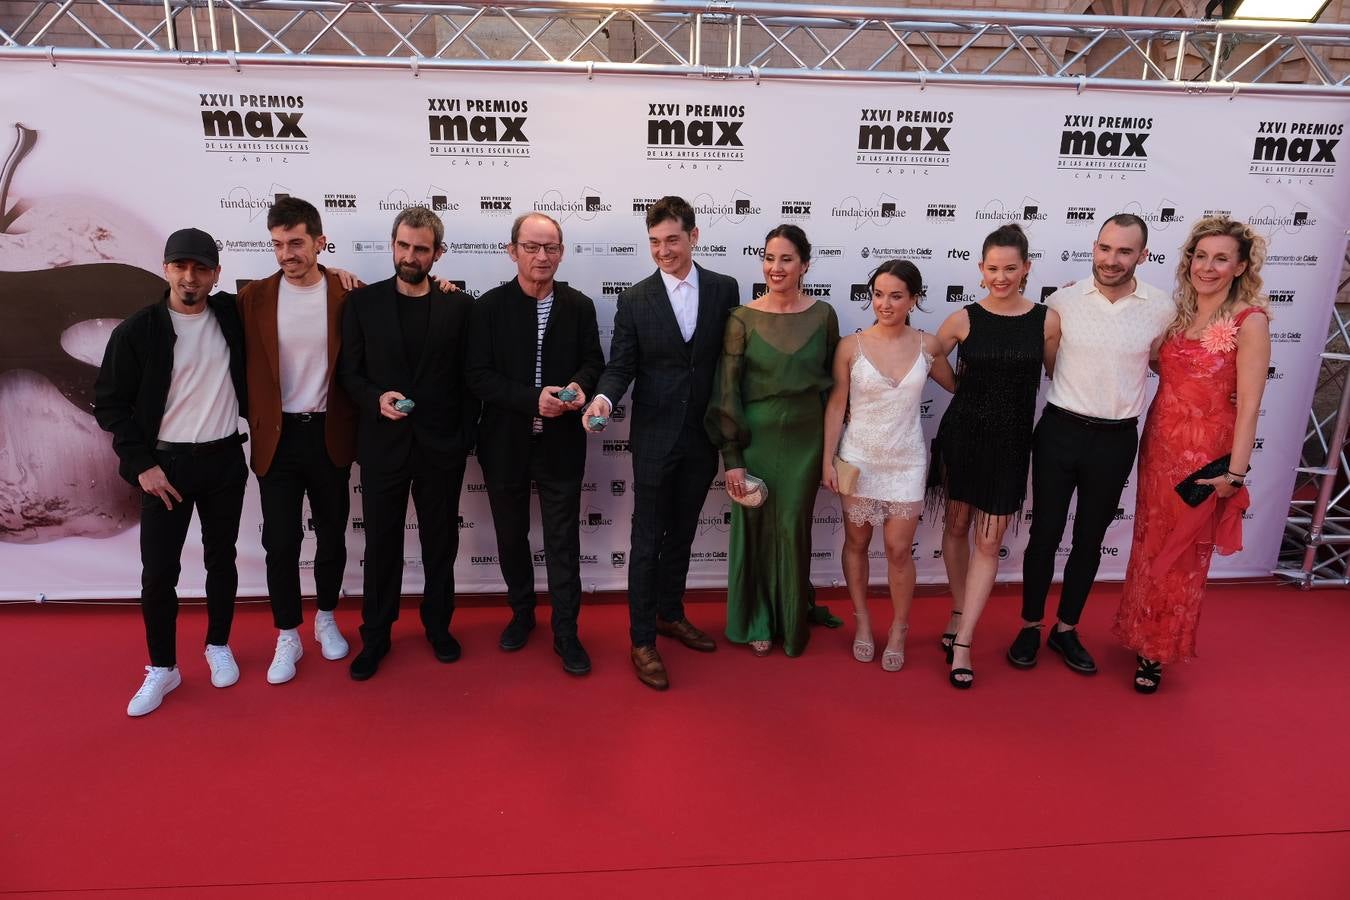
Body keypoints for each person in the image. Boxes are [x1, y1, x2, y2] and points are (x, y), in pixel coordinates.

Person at [583, 196, 739, 690]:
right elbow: (621, 365)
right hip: (653, 436)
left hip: (702, 435)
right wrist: (603, 400)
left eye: (672, 239)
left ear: (694, 236)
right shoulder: (635, 299)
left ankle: (671, 614)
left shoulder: (724, 288)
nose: (663, 251)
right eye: (654, 242)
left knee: (684, 532)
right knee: (647, 539)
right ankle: (642, 640)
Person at [1008, 214, 1174, 675]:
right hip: (1059, 430)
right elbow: (1048, 363)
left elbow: (1170, 366)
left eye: (1124, 251)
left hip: (1116, 439)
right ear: (1094, 247)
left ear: (1143, 255)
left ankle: (1066, 629)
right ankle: (1031, 624)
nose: (1111, 259)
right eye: (1105, 248)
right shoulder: (1061, 301)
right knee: (1044, 534)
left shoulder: (1162, 308)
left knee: (1090, 539)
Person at [94, 228, 249, 716]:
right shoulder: (137, 331)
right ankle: (163, 666)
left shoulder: (233, 316)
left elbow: (286, 292)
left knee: (222, 560)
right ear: (165, 269)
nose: (190, 277)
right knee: (159, 573)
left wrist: (338, 274)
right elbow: (109, 405)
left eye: (201, 268)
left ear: (216, 274)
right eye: (180, 266)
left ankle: (218, 644)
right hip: (165, 469)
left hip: (224, 460)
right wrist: (142, 464)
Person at [1114, 216, 1271, 694]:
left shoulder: (1250, 322)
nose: (1207, 266)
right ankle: (1139, 630)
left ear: (1240, 266)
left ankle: (1158, 649)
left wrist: (1235, 475)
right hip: (1159, 449)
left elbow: (1250, 407)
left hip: (1203, 461)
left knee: (1183, 555)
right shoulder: (1179, 315)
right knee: (1148, 543)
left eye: (1221, 258)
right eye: (1200, 256)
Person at [338, 206, 479, 681]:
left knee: (441, 543)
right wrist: (375, 398)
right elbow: (349, 374)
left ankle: (438, 627)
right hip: (384, 446)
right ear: (392, 244)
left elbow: (470, 379)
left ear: (438, 253)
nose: (410, 256)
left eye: (421, 249)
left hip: (441, 448)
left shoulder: (459, 306)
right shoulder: (362, 304)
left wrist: (462, 438)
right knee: (381, 544)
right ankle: (376, 635)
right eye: (403, 245)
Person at [466, 213, 604, 676]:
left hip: (562, 445)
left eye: (551, 247)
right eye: (531, 247)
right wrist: (532, 400)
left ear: (561, 253)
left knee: (563, 542)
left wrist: (581, 386)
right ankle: (522, 613)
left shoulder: (580, 306)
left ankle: (566, 632)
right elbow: (477, 375)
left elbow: (593, 362)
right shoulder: (488, 308)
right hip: (504, 445)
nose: (542, 256)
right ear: (513, 251)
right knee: (511, 536)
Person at [929, 223, 1061, 689]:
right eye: (992, 268)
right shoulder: (963, 318)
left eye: (1010, 268)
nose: (1000, 277)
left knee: (988, 542)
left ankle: (964, 640)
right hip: (963, 437)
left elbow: (1058, 376)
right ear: (980, 269)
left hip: (1011, 445)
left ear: (1026, 268)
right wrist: (957, 388)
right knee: (956, 528)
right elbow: (930, 355)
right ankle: (959, 611)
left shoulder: (1046, 320)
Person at [237, 196, 358, 685]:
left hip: (329, 434)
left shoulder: (348, 293)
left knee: (332, 536)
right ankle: (287, 632)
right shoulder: (252, 299)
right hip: (278, 439)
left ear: (319, 242)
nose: (286, 253)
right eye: (277, 244)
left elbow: (400, 305)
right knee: (281, 543)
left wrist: (444, 285)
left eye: (295, 243)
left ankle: (326, 616)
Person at [706, 224, 839, 658]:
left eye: (786, 259)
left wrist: (831, 451)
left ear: (805, 264)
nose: (775, 267)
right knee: (755, 526)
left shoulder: (824, 315)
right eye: (768, 258)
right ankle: (758, 618)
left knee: (793, 526)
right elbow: (727, 390)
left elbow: (834, 390)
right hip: (756, 437)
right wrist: (733, 456)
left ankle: (791, 617)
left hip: (806, 440)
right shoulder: (741, 318)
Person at [823, 260, 954, 671]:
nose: (885, 303)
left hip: (907, 462)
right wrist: (827, 459)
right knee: (857, 543)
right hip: (858, 460)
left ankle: (899, 628)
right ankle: (863, 622)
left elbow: (960, 388)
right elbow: (836, 405)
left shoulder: (929, 346)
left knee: (899, 550)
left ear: (914, 299)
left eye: (896, 296)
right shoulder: (850, 346)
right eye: (878, 294)